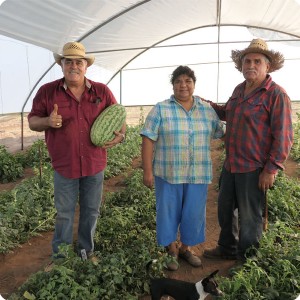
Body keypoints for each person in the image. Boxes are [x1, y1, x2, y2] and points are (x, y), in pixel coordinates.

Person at [28, 42, 126, 264]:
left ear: (86, 66)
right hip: (65, 165)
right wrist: (47, 121)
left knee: (91, 210)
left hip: (94, 164)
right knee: (64, 213)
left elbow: (118, 116)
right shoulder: (47, 91)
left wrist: (121, 135)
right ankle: (60, 257)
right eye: (68, 61)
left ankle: (85, 251)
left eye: (78, 62)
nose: (74, 66)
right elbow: (33, 121)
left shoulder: (101, 91)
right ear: (61, 65)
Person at [203, 39, 293, 261]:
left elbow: (284, 136)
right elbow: (228, 113)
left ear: (267, 66)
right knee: (225, 211)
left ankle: (247, 260)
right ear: (241, 65)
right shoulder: (239, 89)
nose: (250, 65)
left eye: (256, 61)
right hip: (231, 164)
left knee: (250, 218)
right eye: (246, 61)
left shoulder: (276, 95)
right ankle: (227, 248)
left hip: (254, 168)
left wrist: (270, 169)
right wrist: (208, 105)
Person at [140, 65, 225, 271]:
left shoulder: (206, 110)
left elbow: (221, 132)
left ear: (194, 84)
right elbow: (148, 139)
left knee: (193, 213)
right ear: (173, 85)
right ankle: (171, 250)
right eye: (178, 81)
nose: (183, 85)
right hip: (168, 173)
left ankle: (186, 248)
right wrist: (147, 171)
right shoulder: (161, 108)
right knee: (168, 212)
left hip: (198, 174)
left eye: (188, 81)